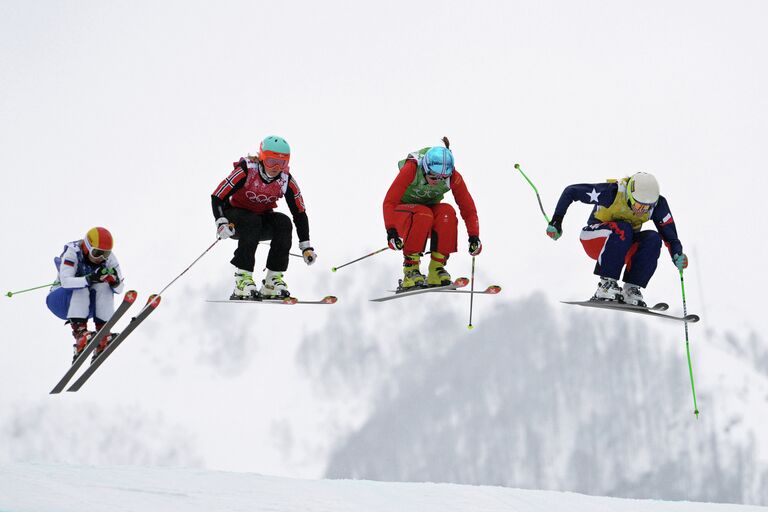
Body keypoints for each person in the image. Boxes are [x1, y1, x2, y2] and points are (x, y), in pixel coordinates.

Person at [546, 172, 688, 306]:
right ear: (630, 196)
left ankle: (631, 288)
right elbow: (571, 191)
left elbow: (669, 234)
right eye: (638, 205)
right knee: (623, 228)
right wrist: (556, 222)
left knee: (653, 238)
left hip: (622, 247)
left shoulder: (658, 205)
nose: (642, 210)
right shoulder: (612, 193)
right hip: (595, 239)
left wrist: (677, 254)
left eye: (647, 207)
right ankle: (606, 284)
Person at [211, 135, 317, 299]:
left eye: (281, 163)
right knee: (251, 220)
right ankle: (242, 280)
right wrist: (221, 222)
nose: (275, 167)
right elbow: (218, 195)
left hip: (260, 221)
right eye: (270, 161)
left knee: (283, 222)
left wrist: (306, 246)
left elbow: (299, 212)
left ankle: (272, 281)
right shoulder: (247, 170)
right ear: (261, 157)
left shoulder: (285, 180)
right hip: (236, 220)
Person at [382, 140, 481, 291]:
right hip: (401, 216)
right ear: (425, 168)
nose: (438, 181)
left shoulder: (453, 177)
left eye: (442, 178)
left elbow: (468, 208)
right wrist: (391, 232)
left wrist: (474, 236)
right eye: (434, 177)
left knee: (446, 211)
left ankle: (437, 269)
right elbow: (389, 202)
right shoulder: (412, 168)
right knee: (424, 213)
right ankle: (411, 270)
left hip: (425, 221)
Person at [46, 227, 125, 361]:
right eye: (97, 253)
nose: (101, 258)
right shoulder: (73, 252)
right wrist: (89, 279)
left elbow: (119, 289)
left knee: (104, 286)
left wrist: (114, 281)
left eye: (105, 254)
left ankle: (103, 334)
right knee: (83, 286)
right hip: (60, 301)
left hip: (85, 307)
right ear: (87, 247)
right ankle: (80, 334)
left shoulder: (110, 259)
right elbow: (66, 281)